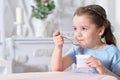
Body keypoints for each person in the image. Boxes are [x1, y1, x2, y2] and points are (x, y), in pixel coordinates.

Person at [51, 4, 120, 79]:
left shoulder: (112, 52)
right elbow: (57, 69)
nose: (78, 34)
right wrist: (58, 47)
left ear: (100, 31)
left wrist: (102, 69)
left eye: (84, 28)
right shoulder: (77, 49)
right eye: (75, 29)